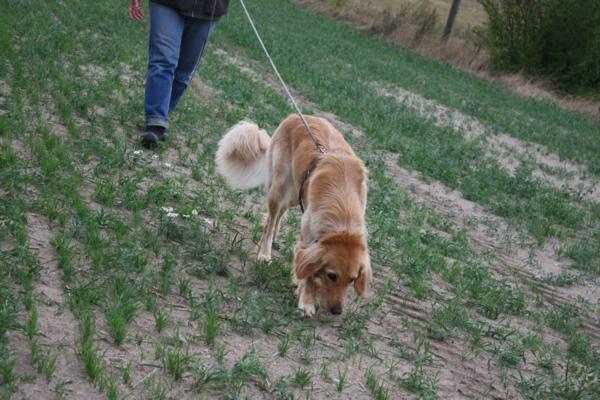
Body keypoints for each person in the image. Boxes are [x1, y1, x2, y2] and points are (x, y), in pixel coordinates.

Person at [129, 0, 230, 148]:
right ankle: (156, 122)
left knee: (183, 73)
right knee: (163, 61)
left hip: (207, 10)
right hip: (166, 4)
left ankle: (162, 113)